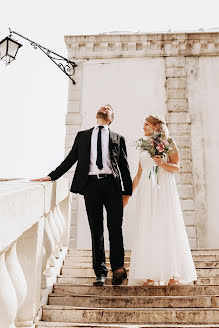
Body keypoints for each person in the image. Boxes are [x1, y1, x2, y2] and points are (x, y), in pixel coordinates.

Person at [31, 105, 132, 286]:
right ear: (97, 115)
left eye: (108, 108)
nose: (105, 108)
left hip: (112, 186)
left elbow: (124, 166)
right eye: (103, 107)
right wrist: (50, 176)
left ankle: (118, 269)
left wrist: (128, 192)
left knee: (115, 229)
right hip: (91, 186)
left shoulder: (118, 138)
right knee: (96, 230)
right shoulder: (83, 136)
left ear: (111, 118)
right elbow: (70, 159)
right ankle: (100, 272)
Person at [128, 114, 197, 286]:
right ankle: (151, 276)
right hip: (147, 193)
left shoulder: (169, 142)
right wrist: (127, 194)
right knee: (149, 229)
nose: (143, 127)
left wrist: (161, 164)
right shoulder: (144, 146)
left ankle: (174, 274)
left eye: (146, 124)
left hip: (164, 190)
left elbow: (177, 167)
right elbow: (139, 175)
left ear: (155, 126)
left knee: (168, 226)